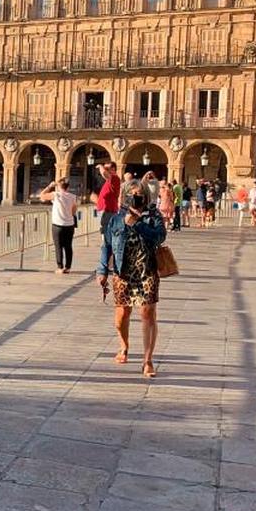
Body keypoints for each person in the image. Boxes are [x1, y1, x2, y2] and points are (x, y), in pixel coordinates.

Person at [97, 180, 167, 378]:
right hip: (123, 272)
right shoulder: (116, 218)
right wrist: (101, 271)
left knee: (148, 313)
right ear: (126, 196)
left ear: (145, 196)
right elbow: (107, 246)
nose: (136, 198)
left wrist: (137, 224)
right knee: (121, 316)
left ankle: (148, 360)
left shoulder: (153, 216)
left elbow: (160, 237)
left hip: (147, 270)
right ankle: (124, 345)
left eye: (140, 194)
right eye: (132, 194)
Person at [41, 179, 78, 274]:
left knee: (58, 246)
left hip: (58, 225)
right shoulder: (73, 197)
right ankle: (68, 267)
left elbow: (42, 196)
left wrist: (49, 186)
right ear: (68, 187)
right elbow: (73, 211)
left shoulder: (56, 195)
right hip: (69, 225)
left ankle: (60, 267)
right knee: (68, 246)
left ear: (58, 187)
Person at [95, 162, 121, 233]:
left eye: (107, 168)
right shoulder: (109, 181)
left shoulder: (115, 178)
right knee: (105, 230)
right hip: (106, 209)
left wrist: (100, 166)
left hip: (109, 210)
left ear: (113, 169)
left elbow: (104, 174)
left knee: (107, 231)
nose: (105, 170)